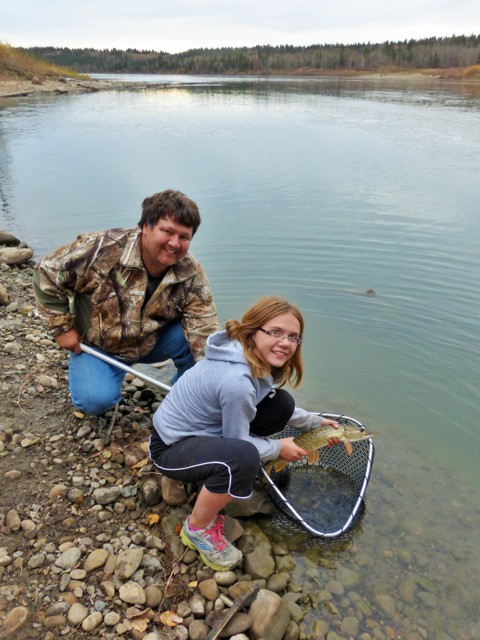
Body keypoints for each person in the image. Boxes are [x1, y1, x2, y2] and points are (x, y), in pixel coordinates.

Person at [149, 295, 340, 571]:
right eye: (275, 332)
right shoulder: (236, 382)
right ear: (253, 330)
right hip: (169, 448)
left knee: (282, 404)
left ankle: (216, 473)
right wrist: (277, 449)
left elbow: (263, 399)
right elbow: (238, 441)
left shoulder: (243, 354)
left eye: (293, 337)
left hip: (202, 433)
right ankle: (197, 529)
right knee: (243, 457)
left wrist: (314, 423)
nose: (285, 343)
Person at [33, 189, 219, 415]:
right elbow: (46, 272)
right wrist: (61, 327)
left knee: (202, 345)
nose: (174, 243)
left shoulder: (191, 273)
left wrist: (214, 379)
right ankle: (103, 377)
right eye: (167, 231)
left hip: (153, 342)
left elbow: (205, 327)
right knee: (95, 403)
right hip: (99, 347)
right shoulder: (102, 248)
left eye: (184, 237)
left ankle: (184, 394)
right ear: (146, 227)